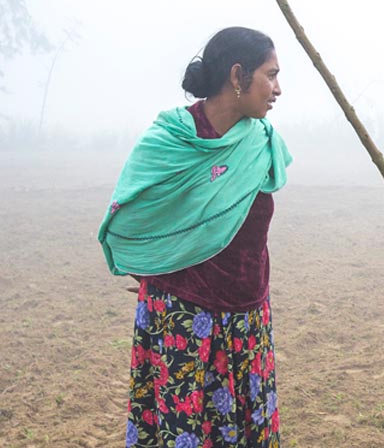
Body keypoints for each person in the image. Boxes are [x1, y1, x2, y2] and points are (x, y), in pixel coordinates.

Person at [98, 26, 292, 448]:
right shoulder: (172, 140)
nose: (278, 88)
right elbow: (129, 216)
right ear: (238, 76)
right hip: (182, 321)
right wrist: (151, 264)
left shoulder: (260, 142)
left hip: (247, 321)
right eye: (270, 75)